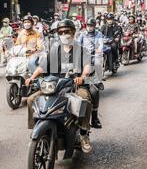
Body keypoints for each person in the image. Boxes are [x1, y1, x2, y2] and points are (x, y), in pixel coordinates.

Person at [25, 20, 95, 153]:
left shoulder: (82, 50)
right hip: (53, 86)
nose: (64, 34)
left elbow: (87, 66)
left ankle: (84, 134)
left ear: (73, 32)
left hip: (74, 85)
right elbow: (42, 67)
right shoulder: (54, 50)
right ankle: (36, 132)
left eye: (66, 31)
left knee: (84, 99)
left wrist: (83, 77)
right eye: (61, 32)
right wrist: (32, 78)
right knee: (30, 100)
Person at [78, 18, 104, 129]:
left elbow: (100, 44)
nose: (89, 27)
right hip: (67, 80)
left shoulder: (98, 34)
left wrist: (98, 50)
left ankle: (94, 117)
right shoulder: (81, 36)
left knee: (94, 90)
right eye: (62, 33)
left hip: (93, 56)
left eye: (91, 25)